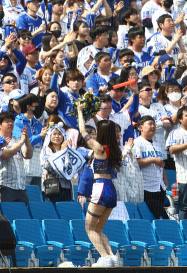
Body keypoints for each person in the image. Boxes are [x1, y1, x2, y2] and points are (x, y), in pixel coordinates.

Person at [76, 102, 123, 267]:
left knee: (89, 228)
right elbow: (102, 126)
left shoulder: (99, 148)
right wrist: (95, 113)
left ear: (101, 133)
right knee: (98, 228)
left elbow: (82, 131)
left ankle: (105, 258)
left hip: (101, 188)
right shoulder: (115, 148)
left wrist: (80, 112)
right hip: (111, 190)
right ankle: (112, 257)